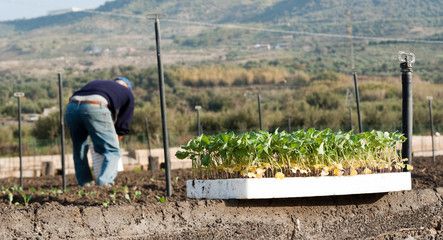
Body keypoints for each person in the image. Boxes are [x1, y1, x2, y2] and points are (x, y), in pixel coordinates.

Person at [65, 77, 134, 186]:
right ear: (128, 87)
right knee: (113, 151)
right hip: (95, 106)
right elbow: (122, 127)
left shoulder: (98, 83)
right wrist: (114, 143)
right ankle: (104, 184)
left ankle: (85, 183)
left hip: (72, 107)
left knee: (79, 149)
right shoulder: (127, 93)